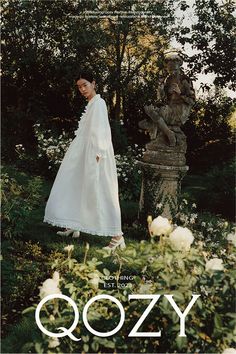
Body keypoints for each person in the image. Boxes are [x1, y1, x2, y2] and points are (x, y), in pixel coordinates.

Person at [43, 69, 125, 251]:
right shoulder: (91, 103)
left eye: (85, 85)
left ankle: (117, 235)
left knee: (102, 192)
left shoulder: (99, 103)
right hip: (82, 152)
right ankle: (73, 224)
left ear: (94, 83)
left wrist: (98, 154)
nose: (82, 89)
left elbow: (102, 130)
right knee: (73, 185)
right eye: (79, 87)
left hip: (96, 154)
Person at [144, 53, 195, 146]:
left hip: (180, 111)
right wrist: (160, 90)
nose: (171, 71)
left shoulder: (184, 80)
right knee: (148, 108)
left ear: (179, 66)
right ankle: (168, 133)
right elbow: (162, 100)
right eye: (169, 69)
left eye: (174, 69)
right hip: (169, 108)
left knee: (150, 118)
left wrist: (180, 94)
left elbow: (192, 101)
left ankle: (160, 133)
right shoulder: (168, 80)